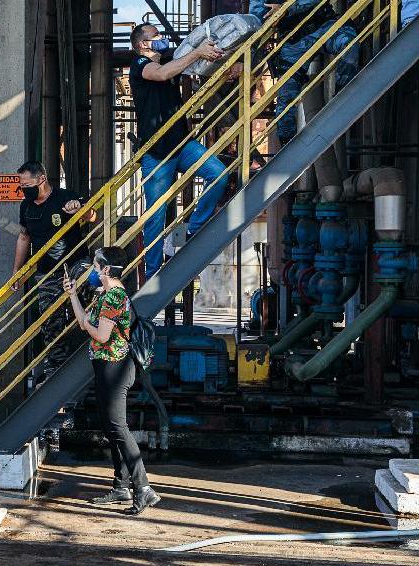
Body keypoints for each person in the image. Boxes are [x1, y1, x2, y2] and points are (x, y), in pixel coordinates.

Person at [63, 246, 160, 516]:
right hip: (106, 367)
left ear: (106, 270)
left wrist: (90, 327)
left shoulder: (114, 296)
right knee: (110, 426)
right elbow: (84, 323)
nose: (92, 271)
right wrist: (73, 296)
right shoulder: (104, 295)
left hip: (116, 368)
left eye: (95, 266)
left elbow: (102, 336)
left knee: (118, 427)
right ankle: (121, 486)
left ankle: (143, 488)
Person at [129, 23, 229, 280]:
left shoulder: (172, 60)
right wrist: (196, 54)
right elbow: (161, 74)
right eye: (156, 36)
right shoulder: (140, 66)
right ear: (143, 44)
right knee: (155, 216)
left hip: (181, 143)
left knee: (218, 172)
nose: (161, 39)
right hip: (157, 152)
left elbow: (190, 66)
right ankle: (152, 275)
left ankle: (194, 230)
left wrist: (223, 64)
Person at [10, 160, 91, 382]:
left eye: (26, 185)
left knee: (88, 302)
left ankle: (93, 354)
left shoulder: (65, 197)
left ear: (41, 180)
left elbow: (92, 216)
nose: (24, 190)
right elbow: (24, 237)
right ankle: (58, 367)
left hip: (75, 262)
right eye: (21, 186)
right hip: (47, 271)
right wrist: (17, 270)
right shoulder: (26, 207)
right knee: (50, 320)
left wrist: (80, 209)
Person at [249, 1, 359, 146]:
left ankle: (342, 100)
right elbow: (256, 22)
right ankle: (287, 150)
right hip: (294, 41)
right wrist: (244, 61)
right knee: (285, 101)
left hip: (324, 25)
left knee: (348, 44)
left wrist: (287, 9)